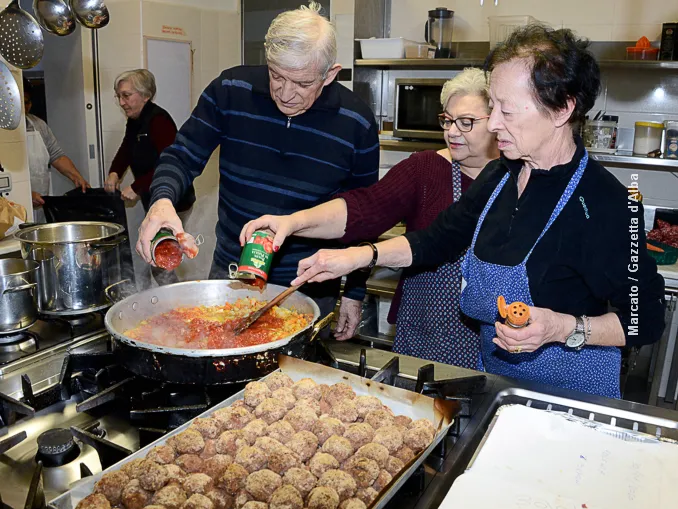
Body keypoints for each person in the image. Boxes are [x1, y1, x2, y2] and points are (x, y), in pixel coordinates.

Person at [252, 25, 666, 398]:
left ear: (562, 110)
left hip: (567, 401)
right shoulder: (501, 177)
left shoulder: (605, 205)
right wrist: (354, 257)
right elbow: (436, 240)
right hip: (501, 387)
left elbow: (645, 319)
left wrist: (563, 328)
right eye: (493, 108)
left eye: (506, 110)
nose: (494, 125)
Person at [136, 2, 379, 337]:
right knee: (217, 366)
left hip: (308, 280)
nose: (286, 93)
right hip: (232, 271)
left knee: (290, 382)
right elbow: (181, 155)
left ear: (330, 74)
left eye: (302, 82)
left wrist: (353, 292)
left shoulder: (357, 122)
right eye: (276, 75)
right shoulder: (231, 91)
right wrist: (162, 201)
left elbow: (364, 214)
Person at [241, 68, 499, 367]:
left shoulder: (519, 177)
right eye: (448, 120)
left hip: (502, 335)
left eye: (466, 122)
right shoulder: (424, 169)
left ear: (497, 122)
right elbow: (364, 208)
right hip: (429, 331)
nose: (453, 131)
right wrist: (293, 222)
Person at [105, 69, 195, 286]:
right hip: (152, 198)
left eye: (127, 95)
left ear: (145, 95)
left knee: (161, 260)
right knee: (159, 259)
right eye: (119, 96)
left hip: (175, 202)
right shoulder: (134, 120)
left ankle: (178, 307)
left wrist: (136, 186)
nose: (122, 102)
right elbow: (127, 147)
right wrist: (115, 171)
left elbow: (170, 163)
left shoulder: (159, 121)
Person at [24, 80, 90, 222]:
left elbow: (57, 156)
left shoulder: (38, 125)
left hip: (40, 205)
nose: (24, 108)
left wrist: (76, 177)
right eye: (20, 103)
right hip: (11, 208)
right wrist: (26, 195)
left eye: (27, 102)